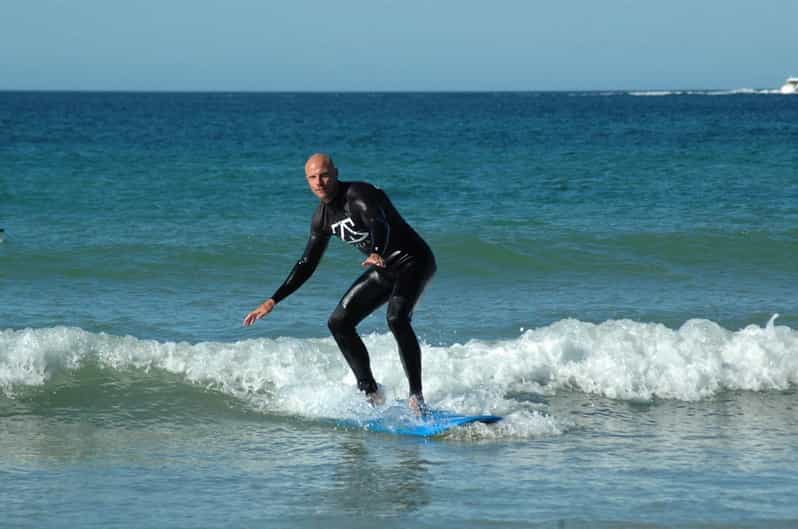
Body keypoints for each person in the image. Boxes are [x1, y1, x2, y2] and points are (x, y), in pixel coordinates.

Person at [243, 153, 436, 413]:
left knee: (396, 318)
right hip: (382, 267)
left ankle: (416, 397)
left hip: (413, 260)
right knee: (339, 323)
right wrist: (273, 300)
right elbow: (307, 263)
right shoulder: (322, 218)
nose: (319, 182)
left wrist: (376, 250)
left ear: (335, 173)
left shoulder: (358, 194)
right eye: (312, 177)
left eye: (323, 175)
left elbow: (378, 223)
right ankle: (371, 392)